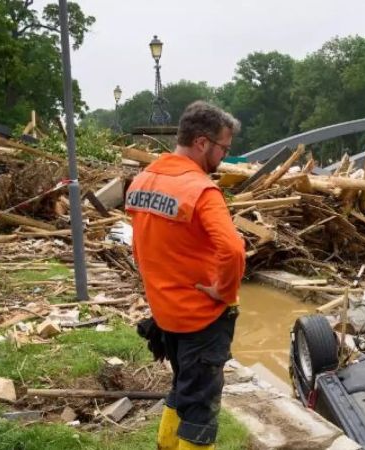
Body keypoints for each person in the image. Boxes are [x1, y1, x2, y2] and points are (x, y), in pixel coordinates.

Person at [126, 101, 245, 450]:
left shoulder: (143, 181)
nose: (225, 155)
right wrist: (223, 291)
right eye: (224, 147)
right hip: (200, 318)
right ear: (203, 143)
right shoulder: (201, 190)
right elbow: (234, 250)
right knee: (201, 411)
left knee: (182, 389)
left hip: (165, 313)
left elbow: (141, 246)